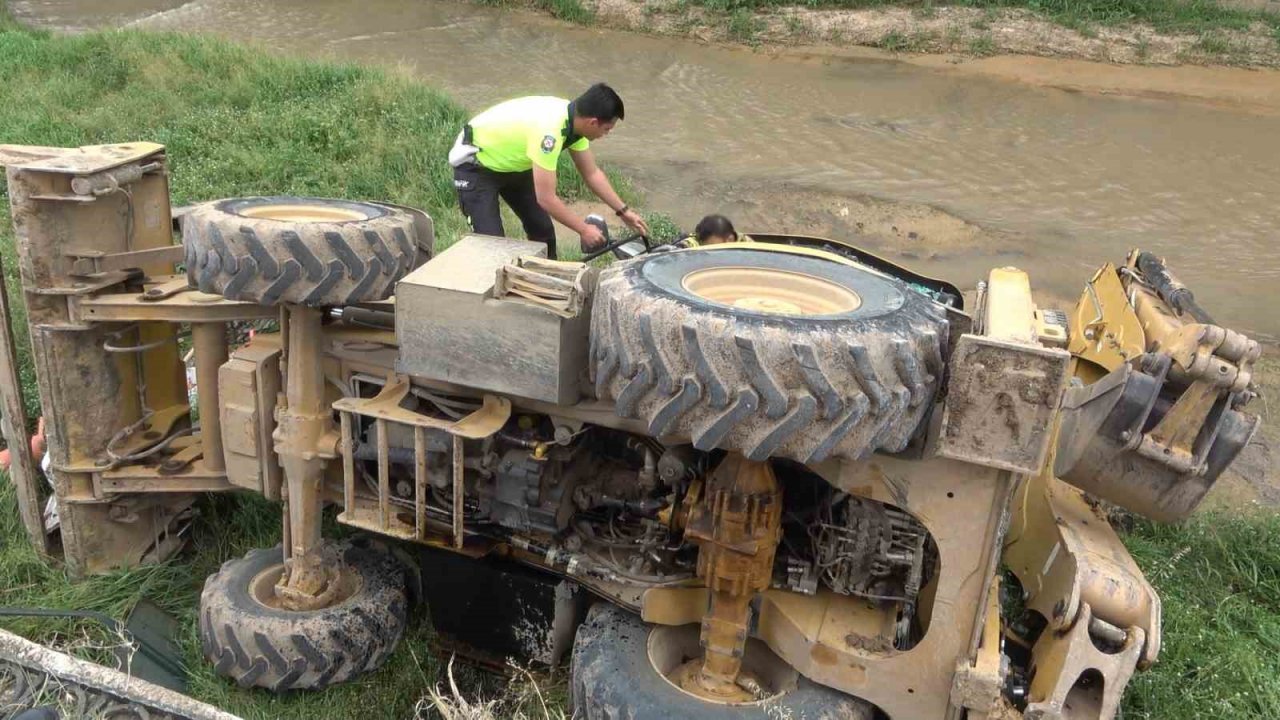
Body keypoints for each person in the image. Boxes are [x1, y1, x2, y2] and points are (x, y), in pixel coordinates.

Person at [449, 83, 649, 259]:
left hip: (514, 164)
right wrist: (583, 229)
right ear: (593, 122)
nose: (607, 134)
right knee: (491, 246)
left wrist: (624, 212)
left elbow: (591, 173)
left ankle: (546, 281)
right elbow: (546, 199)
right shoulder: (549, 133)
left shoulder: (575, 121)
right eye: (607, 129)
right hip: (476, 165)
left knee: (542, 232)